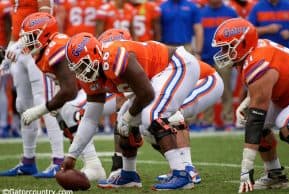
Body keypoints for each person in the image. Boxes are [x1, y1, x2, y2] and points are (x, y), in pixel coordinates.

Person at [62, 31, 200, 190]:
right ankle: (129, 175)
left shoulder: (112, 56)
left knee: (152, 114)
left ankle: (181, 174)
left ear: (96, 53)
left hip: (177, 64)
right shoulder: (92, 74)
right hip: (156, 78)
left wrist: (129, 118)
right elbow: (90, 119)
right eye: (78, 69)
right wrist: (72, 156)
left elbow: (146, 93)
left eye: (83, 65)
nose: (82, 72)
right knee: (122, 120)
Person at [9, 12, 107, 181]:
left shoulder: (55, 47)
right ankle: (90, 163)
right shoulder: (43, 50)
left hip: (103, 86)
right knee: (65, 118)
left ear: (46, 33)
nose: (28, 42)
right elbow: (63, 81)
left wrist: (41, 109)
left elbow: (70, 91)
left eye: (31, 36)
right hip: (90, 87)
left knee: (70, 110)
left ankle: (93, 164)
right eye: (26, 38)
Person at [212, 18, 289, 193]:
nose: (222, 52)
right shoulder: (252, 52)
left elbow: (256, 120)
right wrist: (246, 103)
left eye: (226, 47)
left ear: (242, 43)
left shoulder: (258, 62)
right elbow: (263, 87)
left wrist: (246, 166)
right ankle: (275, 175)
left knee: (286, 124)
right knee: (254, 121)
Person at [0, 0, 65, 178]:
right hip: (20, 50)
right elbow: (16, 23)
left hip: (37, 49)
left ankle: (58, 160)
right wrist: (11, 48)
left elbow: (45, 21)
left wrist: (20, 44)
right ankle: (28, 160)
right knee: (23, 105)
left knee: (45, 103)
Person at [198, 0, 238, 130]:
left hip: (224, 56)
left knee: (226, 90)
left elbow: (237, 35)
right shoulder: (201, 12)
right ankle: (207, 121)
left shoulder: (230, 12)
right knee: (207, 90)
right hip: (206, 56)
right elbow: (197, 34)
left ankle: (228, 120)